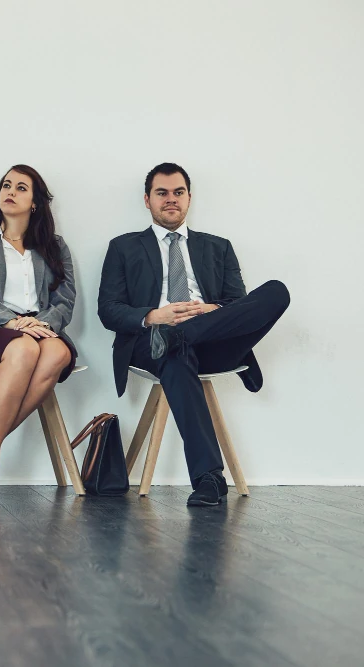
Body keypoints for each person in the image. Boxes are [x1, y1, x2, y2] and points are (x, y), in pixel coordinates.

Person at [98, 163, 289, 506]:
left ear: (189, 198)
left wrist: (209, 310)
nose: (171, 199)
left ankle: (180, 335)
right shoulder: (123, 247)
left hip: (213, 340)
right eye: (162, 193)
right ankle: (209, 479)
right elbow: (108, 310)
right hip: (151, 341)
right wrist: (155, 315)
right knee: (173, 356)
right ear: (147, 200)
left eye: (178, 192)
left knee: (277, 291)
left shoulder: (219, 247)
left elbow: (237, 306)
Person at [0, 165, 77, 499]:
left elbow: (66, 299)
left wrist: (42, 324)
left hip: (39, 328)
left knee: (58, 352)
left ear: (36, 202)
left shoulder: (55, 247)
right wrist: (12, 322)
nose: (10, 191)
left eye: (21, 188)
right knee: (24, 348)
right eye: (6, 185)